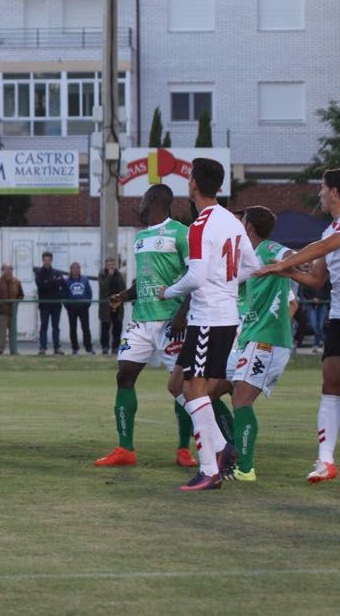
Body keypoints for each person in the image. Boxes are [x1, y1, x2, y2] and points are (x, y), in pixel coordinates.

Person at [256, 168, 340, 484]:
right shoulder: (327, 232)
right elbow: (317, 280)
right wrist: (284, 273)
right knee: (331, 381)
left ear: (335, 191)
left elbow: (326, 248)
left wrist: (284, 262)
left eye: (321, 187)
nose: (318, 192)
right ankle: (325, 462)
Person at [158, 158, 260, 491]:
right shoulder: (231, 221)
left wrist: (168, 291)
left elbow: (197, 276)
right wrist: (228, 282)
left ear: (193, 184)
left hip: (208, 318)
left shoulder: (201, 224)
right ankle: (220, 447)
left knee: (193, 389)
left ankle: (209, 469)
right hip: (225, 317)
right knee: (186, 387)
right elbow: (252, 266)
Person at [96, 184, 196, 469]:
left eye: (142, 200)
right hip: (141, 319)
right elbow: (145, 279)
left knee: (182, 387)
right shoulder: (140, 238)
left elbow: (196, 276)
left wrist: (183, 314)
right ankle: (125, 449)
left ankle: (183, 449)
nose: (138, 205)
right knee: (124, 375)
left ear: (152, 201)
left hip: (171, 320)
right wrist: (123, 296)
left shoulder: (181, 232)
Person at [210, 206, 296, 482]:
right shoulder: (248, 257)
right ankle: (229, 448)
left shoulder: (269, 248)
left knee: (242, 399)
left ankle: (245, 468)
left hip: (267, 340)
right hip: (247, 339)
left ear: (248, 228)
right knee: (207, 390)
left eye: (242, 221)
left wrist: (297, 261)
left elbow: (289, 256)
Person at [34, 252, 66, 355]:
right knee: (44, 326)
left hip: (56, 304)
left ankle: (57, 348)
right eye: (45, 260)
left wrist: (48, 281)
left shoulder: (57, 272)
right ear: (43, 260)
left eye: (49, 260)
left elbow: (63, 284)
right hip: (44, 304)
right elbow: (41, 286)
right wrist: (54, 282)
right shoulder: (39, 272)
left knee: (56, 327)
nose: (47, 261)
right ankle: (42, 348)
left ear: (51, 260)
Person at [0, 263, 23, 355]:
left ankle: (13, 350)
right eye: (6, 269)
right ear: (2, 270)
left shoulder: (17, 282)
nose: (8, 271)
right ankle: (0, 349)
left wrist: (16, 302)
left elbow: (21, 295)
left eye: (10, 269)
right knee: (2, 331)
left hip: (13, 311)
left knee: (13, 332)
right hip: (3, 310)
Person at [98, 257, 126, 355]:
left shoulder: (119, 275)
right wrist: (109, 276)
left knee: (117, 328)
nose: (111, 266)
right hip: (106, 306)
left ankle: (115, 347)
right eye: (109, 264)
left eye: (113, 264)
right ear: (106, 265)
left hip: (117, 306)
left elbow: (123, 289)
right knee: (105, 327)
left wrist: (119, 299)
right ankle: (105, 347)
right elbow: (103, 287)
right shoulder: (102, 275)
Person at [65, 262, 94, 355]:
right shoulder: (67, 281)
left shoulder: (85, 280)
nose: (75, 270)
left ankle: (88, 348)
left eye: (77, 268)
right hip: (71, 309)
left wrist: (87, 304)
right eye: (73, 268)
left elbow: (89, 293)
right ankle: (75, 348)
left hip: (83, 308)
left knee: (86, 328)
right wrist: (67, 306)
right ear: (71, 270)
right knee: (73, 329)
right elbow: (64, 294)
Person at [300, 280, 331, 353]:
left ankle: (316, 345)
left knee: (320, 326)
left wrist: (321, 298)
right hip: (311, 304)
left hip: (322, 304)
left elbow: (329, 291)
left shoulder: (326, 279)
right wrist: (312, 299)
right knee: (314, 326)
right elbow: (305, 291)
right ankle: (328, 343)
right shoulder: (309, 277)